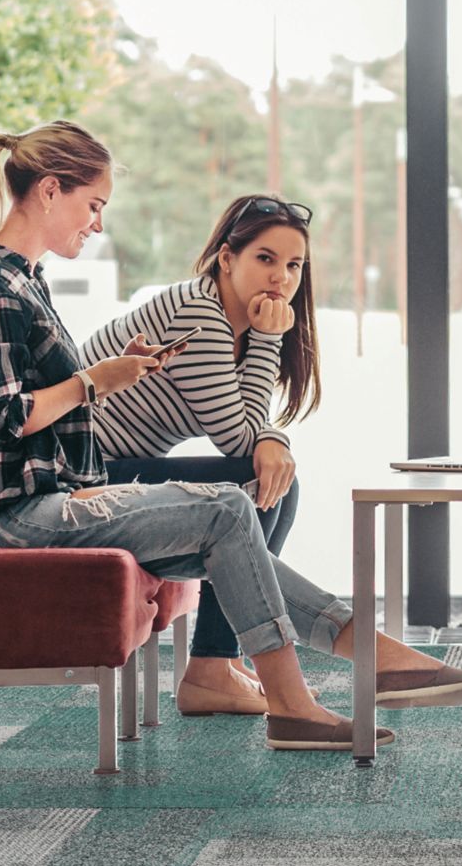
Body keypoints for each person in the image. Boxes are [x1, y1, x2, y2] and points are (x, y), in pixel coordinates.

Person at [0, 120, 462, 753]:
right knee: (230, 508)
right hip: (8, 512)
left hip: (54, 490)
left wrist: (113, 378)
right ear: (51, 190)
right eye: (95, 205)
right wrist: (93, 381)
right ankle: (311, 691)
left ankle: (356, 662)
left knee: (234, 524)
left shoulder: (20, 278)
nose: (98, 224)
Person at [73, 194, 371, 716]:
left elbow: (248, 429)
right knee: (254, 478)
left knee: (264, 481)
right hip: (82, 474)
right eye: (265, 258)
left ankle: (218, 662)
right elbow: (239, 440)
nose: (281, 277)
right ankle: (213, 664)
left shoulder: (227, 319)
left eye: (294, 265)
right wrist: (269, 341)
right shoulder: (200, 313)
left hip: (112, 464)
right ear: (227, 259)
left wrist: (272, 434)